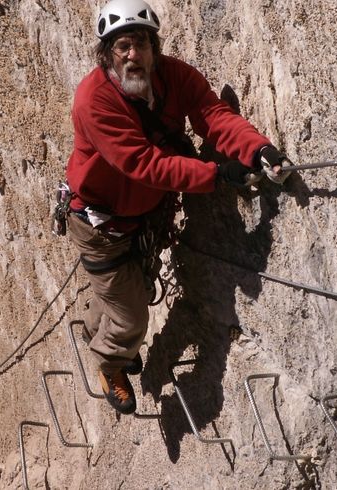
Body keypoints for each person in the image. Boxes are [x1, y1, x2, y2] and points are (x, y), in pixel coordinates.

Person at [64, 0, 290, 415]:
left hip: (146, 215)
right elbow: (143, 164)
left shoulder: (174, 77)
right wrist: (217, 175)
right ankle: (111, 362)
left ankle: (103, 329)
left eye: (142, 44)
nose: (134, 55)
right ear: (106, 54)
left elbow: (213, 117)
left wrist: (259, 150)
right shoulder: (93, 101)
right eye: (123, 46)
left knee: (124, 292)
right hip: (102, 224)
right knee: (132, 317)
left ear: (155, 47)